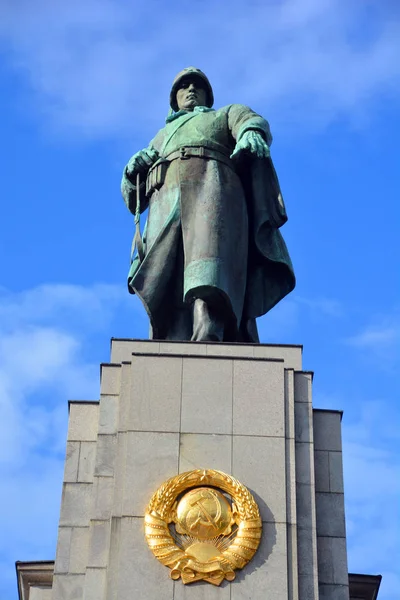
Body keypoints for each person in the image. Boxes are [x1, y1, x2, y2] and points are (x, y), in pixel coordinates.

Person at [121, 67, 295, 342]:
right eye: (184, 86)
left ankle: (209, 326)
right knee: (168, 274)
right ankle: (176, 336)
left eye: (197, 86)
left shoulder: (223, 114)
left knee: (208, 262)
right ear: (174, 99)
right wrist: (132, 172)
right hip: (167, 202)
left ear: (207, 95)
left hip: (212, 189)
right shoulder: (160, 136)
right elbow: (133, 199)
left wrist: (251, 132)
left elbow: (250, 120)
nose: (191, 90)